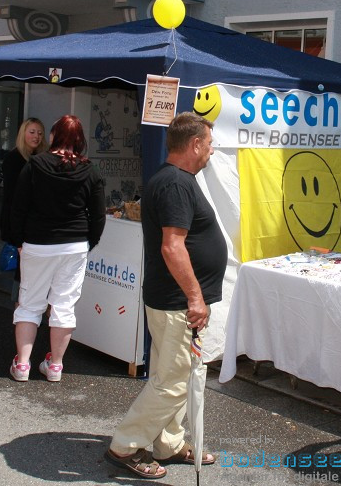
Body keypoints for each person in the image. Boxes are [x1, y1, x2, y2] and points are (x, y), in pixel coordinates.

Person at [105, 112, 226, 480]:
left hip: (171, 300)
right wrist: (195, 298)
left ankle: (168, 443)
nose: (211, 151)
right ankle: (125, 444)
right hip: (177, 302)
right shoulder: (175, 183)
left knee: (171, 374)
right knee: (173, 381)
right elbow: (172, 247)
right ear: (194, 144)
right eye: (208, 144)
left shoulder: (175, 179)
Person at [7, 115, 106, 382]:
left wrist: (18, 241)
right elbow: (98, 216)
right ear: (80, 140)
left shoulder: (35, 165)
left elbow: (19, 207)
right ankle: (56, 366)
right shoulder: (90, 170)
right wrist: (89, 243)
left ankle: (23, 365)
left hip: (37, 244)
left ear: (53, 136)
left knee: (29, 304)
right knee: (64, 304)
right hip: (74, 246)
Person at [0, 118, 48, 302]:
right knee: (23, 271)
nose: (36, 137)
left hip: (33, 224)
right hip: (20, 223)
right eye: (32, 132)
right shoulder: (13, 159)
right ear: (23, 133)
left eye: (40, 133)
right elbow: (13, 197)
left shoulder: (40, 158)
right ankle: (20, 308)